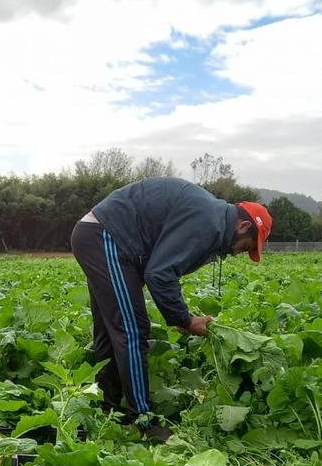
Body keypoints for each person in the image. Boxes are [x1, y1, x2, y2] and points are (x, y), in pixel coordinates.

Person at [71, 177, 271, 441]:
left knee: (112, 330)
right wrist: (185, 320)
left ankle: (108, 409)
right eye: (246, 246)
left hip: (102, 236)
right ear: (243, 226)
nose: (240, 253)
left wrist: (177, 313)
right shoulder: (208, 222)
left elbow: (160, 263)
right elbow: (160, 273)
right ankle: (143, 421)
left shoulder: (209, 216)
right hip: (106, 236)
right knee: (132, 330)